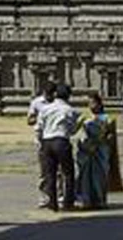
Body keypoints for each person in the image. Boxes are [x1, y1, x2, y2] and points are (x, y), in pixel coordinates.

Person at [38, 83, 80, 212]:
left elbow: (39, 127)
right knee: (68, 173)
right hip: (61, 141)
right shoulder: (70, 110)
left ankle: (52, 203)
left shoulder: (45, 109)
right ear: (69, 96)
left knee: (50, 174)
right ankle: (68, 203)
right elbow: (72, 130)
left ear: (55, 94)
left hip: (47, 142)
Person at [75, 93, 114, 210]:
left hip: (100, 150)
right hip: (86, 150)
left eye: (93, 103)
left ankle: (100, 200)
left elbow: (111, 135)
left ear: (99, 103)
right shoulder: (84, 117)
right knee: (84, 175)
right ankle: (85, 200)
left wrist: (104, 140)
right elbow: (74, 130)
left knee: (100, 175)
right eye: (89, 103)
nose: (91, 105)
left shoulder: (108, 118)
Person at [27, 82, 57, 209]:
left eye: (50, 95)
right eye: (46, 95)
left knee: (59, 171)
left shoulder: (58, 103)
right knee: (44, 171)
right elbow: (29, 120)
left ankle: (59, 196)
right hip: (42, 140)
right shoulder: (37, 103)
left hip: (56, 138)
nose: (48, 97)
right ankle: (44, 197)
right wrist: (41, 118)